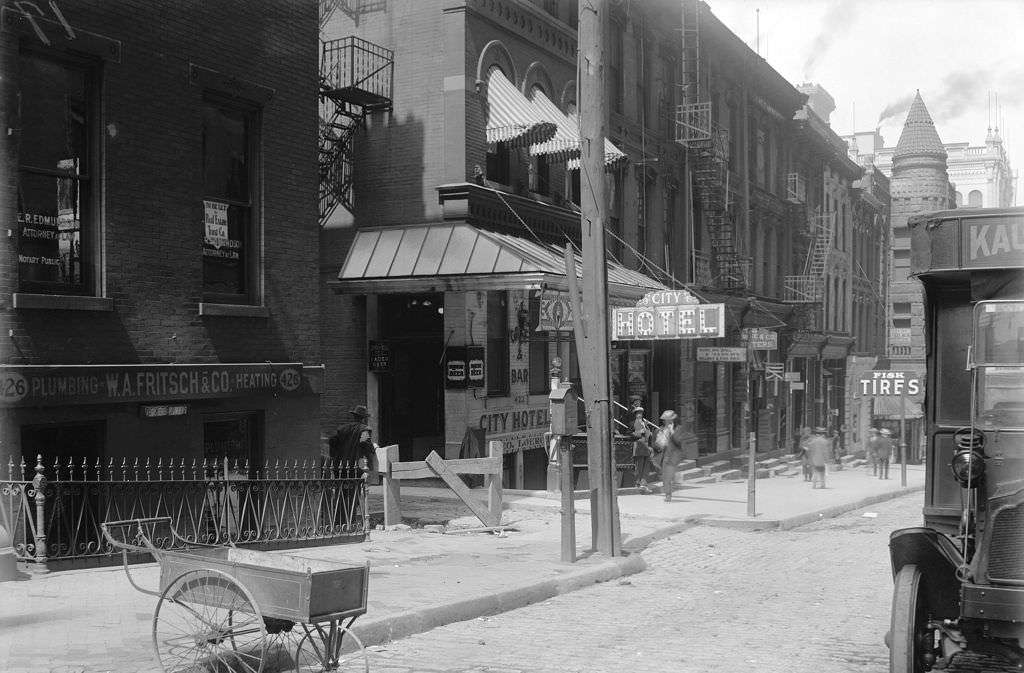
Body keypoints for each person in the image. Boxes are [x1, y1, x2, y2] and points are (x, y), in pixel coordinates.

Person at [653, 410, 687, 502]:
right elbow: (655, 445)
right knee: (665, 477)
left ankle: (668, 495)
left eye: (670, 420)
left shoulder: (679, 429)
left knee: (667, 477)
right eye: (666, 420)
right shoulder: (660, 430)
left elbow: (679, 442)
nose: (668, 422)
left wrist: (672, 432)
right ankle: (669, 491)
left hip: (673, 457)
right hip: (663, 457)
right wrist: (659, 442)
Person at [329, 404, 372, 476]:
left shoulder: (342, 428)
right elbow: (366, 445)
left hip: (340, 466)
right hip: (356, 467)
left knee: (340, 486)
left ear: (354, 416)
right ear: (364, 418)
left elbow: (331, 440)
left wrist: (336, 456)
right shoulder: (364, 429)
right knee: (356, 486)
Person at [629, 405, 653, 493]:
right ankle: (638, 483)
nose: (640, 415)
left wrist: (647, 429)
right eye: (638, 413)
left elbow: (649, 434)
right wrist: (639, 432)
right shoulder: (632, 423)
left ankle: (644, 483)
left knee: (646, 466)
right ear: (635, 414)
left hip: (646, 447)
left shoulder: (644, 423)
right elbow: (629, 434)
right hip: (638, 446)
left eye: (641, 413)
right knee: (639, 466)